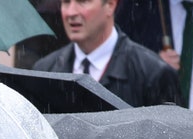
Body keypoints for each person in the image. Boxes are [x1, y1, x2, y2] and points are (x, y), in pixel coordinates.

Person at [34, 0, 184, 107]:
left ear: (110, 5)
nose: (71, 12)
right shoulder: (44, 71)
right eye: (66, 2)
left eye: (83, 1)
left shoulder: (153, 73)